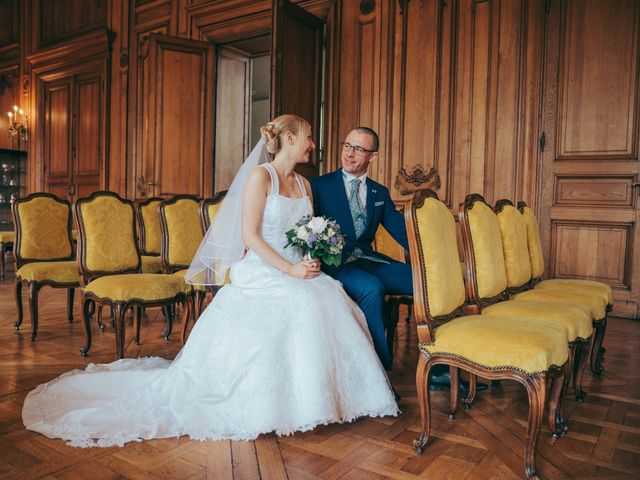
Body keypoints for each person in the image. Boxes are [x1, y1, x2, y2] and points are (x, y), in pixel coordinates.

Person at [22, 115, 398, 447]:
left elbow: (302, 232)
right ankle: (273, 404)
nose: (314, 144)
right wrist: (289, 270)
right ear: (289, 138)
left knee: (326, 297)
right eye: (308, 137)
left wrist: (309, 258)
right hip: (266, 270)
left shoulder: (305, 184)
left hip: (297, 267)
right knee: (304, 301)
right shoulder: (259, 176)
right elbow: (251, 237)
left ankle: (328, 398)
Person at [311, 127, 471, 392]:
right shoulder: (319, 186)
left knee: (429, 283)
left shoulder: (379, 192)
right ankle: (377, 373)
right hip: (335, 264)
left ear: (373, 157)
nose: (349, 154)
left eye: (358, 149)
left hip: (369, 260)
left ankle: (439, 367)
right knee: (371, 289)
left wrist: (435, 259)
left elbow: (402, 231)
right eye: (347, 146)